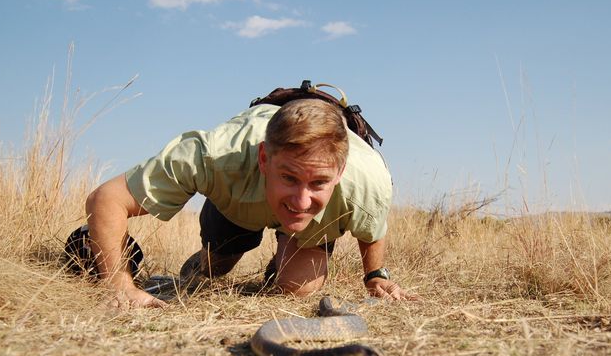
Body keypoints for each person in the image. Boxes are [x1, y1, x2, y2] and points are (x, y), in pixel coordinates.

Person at [77, 98, 414, 308]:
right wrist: (117, 284)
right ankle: (216, 254)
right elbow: (106, 198)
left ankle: (282, 261)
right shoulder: (213, 156)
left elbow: (372, 227)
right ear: (264, 158)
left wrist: (375, 275)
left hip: (313, 227)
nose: (301, 200)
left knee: (299, 289)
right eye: (290, 178)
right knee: (214, 269)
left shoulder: (368, 182)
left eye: (319, 183)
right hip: (239, 198)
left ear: (339, 171)